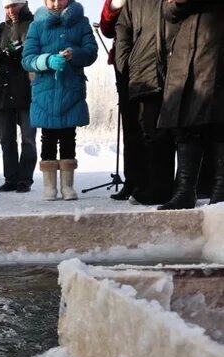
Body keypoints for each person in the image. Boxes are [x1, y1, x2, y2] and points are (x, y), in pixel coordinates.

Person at [22, 0, 98, 201]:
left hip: (71, 90)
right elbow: (27, 58)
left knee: (68, 137)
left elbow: (91, 52)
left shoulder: (81, 23)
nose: (56, 3)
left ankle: (67, 186)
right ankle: (49, 187)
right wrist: (46, 60)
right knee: (47, 137)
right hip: (44, 91)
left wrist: (75, 54)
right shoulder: (36, 25)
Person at [157, 0, 224, 210]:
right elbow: (167, 12)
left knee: (218, 122)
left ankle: (220, 190)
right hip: (184, 53)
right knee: (184, 122)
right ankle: (185, 191)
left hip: (215, 48)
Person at [110, 0, 177, 205]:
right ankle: (151, 185)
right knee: (147, 131)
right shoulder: (133, 2)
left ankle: (172, 186)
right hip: (142, 71)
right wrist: (125, 65)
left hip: (175, 67)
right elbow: (122, 30)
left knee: (172, 133)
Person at [0, 0, 37, 193]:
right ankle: (11, 178)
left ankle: (25, 178)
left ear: (23, 4)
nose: (11, 10)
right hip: (2, 92)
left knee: (28, 138)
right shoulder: (0, 29)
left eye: (15, 5)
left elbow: (38, 52)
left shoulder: (34, 24)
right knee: (6, 139)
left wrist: (21, 53)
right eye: (7, 7)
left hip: (26, 90)